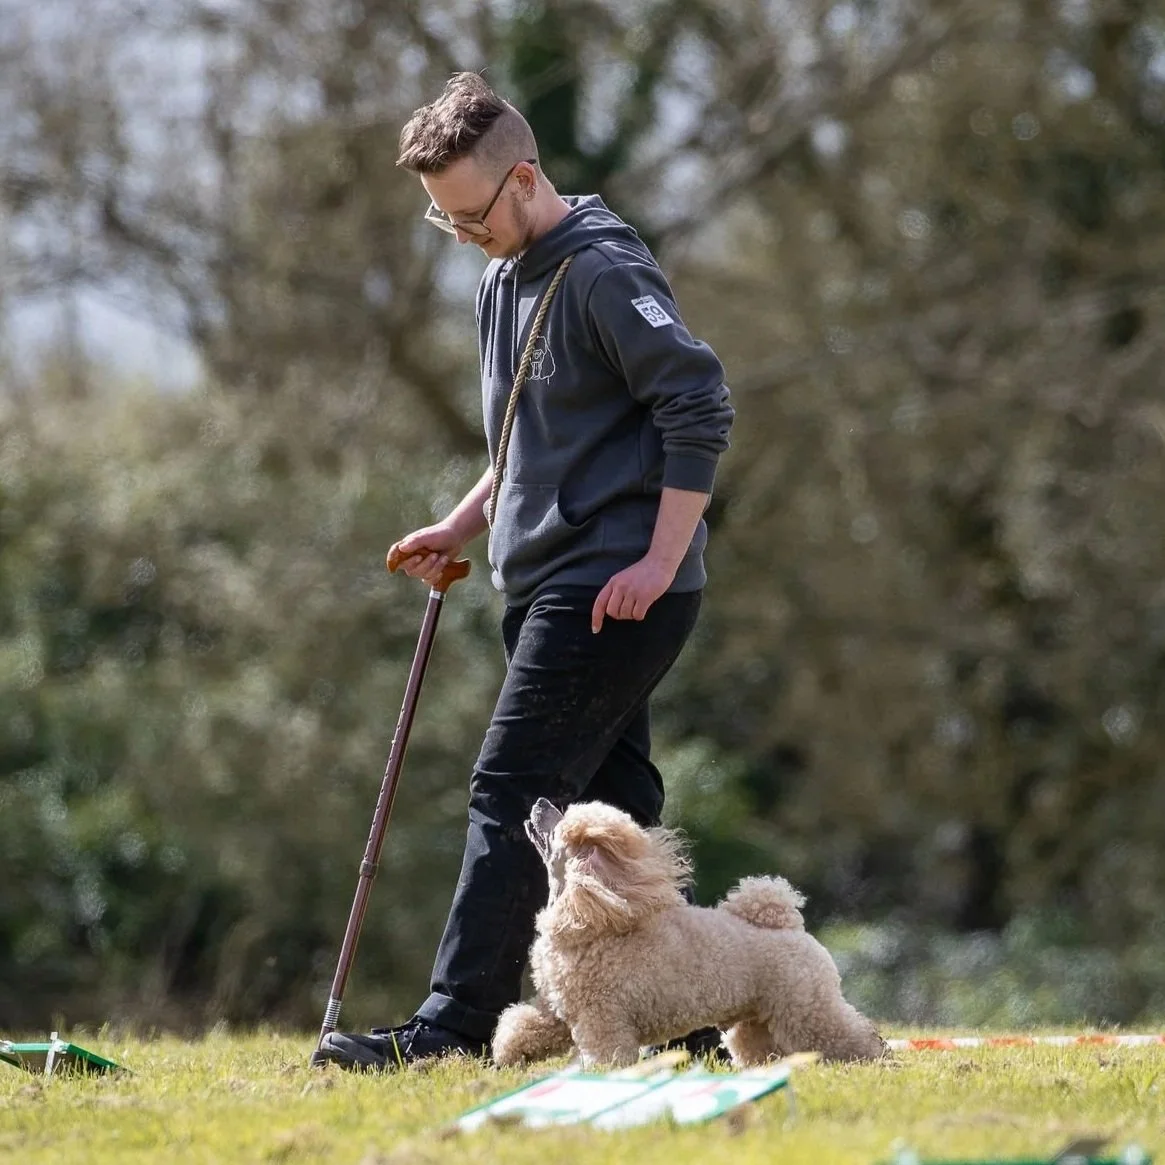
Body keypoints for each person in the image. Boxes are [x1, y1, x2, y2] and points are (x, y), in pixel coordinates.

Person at [319, 72, 735, 1071]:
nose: (464, 236)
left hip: (610, 589)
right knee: (619, 811)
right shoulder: (504, 279)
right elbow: (521, 443)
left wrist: (657, 559)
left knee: (511, 791)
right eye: (444, 222)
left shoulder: (598, 272)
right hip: (545, 578)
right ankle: (690, 1020)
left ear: (524, 178)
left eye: (473, 215)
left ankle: (450, 1028)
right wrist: (460, 525)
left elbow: (699, 403)